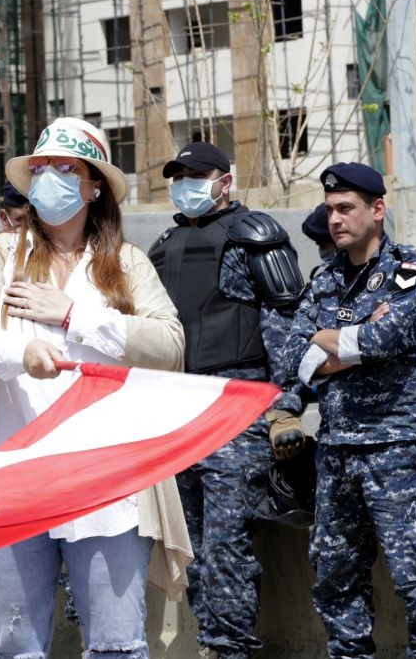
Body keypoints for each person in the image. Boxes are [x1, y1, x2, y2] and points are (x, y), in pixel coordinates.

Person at [0, 117, 189, 658]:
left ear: (93, 185)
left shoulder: (126, 263)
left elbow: (169, 343)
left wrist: (75, 317)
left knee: (116, 644)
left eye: (65, 168)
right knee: (14, 646)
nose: (49, 179)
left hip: (105, 482)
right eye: (40, 168)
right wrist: (20, 352)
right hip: (13, 478)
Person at [287, 162, 416, 657]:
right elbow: (292, 356)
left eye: (346, 208)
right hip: (337, 450)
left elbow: (387, 337)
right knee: (336, 577)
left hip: (396, 448)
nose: (335, 219)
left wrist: (330, 347)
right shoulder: (323, 281)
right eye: (329, 209)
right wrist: (348, 345)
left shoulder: (411, 274)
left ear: (377, 210)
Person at [148, 141, 306, 658]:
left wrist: (285, 405)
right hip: (178, 411)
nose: (185, 184)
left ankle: (230, 648)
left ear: (225, 181)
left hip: (236, 407)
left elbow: (286, 325)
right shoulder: (163, 247)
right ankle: (213, 645)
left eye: (197, 175)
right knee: (188, 546)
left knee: (226, 546)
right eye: (178, 176)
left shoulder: (254, 237)